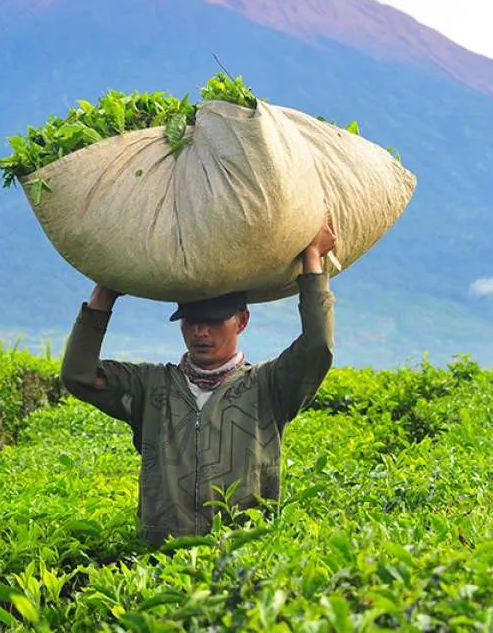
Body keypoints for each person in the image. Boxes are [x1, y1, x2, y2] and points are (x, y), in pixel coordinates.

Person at [60, 218, 338, 545]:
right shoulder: (151, 386)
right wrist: (105, 292)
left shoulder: (269, 386)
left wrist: (312, 259)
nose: (200, 332)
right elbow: (78, 375)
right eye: (191, 321)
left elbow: (317, 347)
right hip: (161, 558)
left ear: (242, 321)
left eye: (213, 321)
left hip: (240, 559)